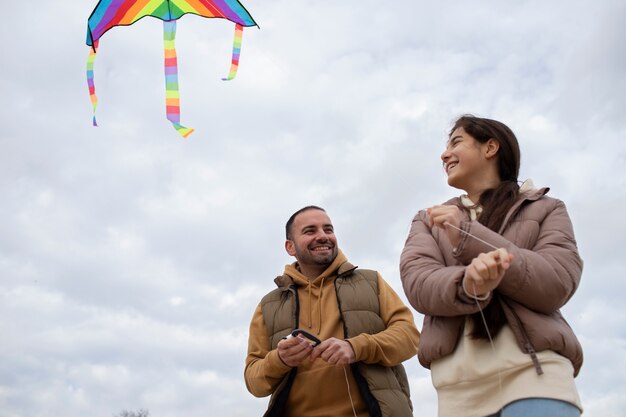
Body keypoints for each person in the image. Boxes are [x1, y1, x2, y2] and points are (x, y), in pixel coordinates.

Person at [400, 115, 584, 417]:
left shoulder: (547, 208)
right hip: (459, 392)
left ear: (491, 148)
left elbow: (556, 283)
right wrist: (467, 284)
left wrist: (469, 236)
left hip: (538, 379)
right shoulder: (428, 219)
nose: (444, 154)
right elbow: (418, 284)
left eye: (456, 142)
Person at [245, 206, 420, 417]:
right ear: (290, 247)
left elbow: (410, 337)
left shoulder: (371, 281)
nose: (323, 236)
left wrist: (356, 347)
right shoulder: (268, 305)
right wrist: (280, 359)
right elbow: (254, 382)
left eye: (328, 229)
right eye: (310, 231)